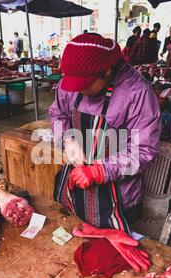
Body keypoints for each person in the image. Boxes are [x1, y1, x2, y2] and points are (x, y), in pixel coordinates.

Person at [49, 33, 161, 233]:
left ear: (107, 71)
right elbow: (58, 113)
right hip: (76, 187)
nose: (79, 90)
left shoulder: (137, 92)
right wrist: (68, 139)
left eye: (86, 85)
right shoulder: (72, 81)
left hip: (119, 198)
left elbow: (144, 150)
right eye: (76, 85)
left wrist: (100, 170)